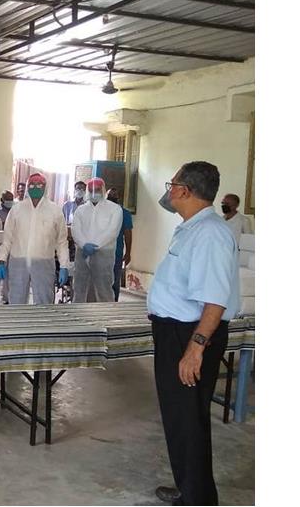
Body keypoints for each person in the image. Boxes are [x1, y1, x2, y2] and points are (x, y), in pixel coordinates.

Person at [148, 161, 239, 506]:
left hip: (190, 336)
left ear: (184, 190)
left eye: (172, 184)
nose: (168, 190)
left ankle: (199, 498)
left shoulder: (211, 233)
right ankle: (190, 487)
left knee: (189, 419)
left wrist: (195, 348)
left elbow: (214, 300)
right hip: (175, 331)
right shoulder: (191, 228)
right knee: (179, 417)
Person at [0, 173, 70, 305]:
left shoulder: (55, 211)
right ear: (27, 187)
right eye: (32, 185)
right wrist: (1, 260)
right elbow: (7, 238)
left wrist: (64, 265)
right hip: (18, 263)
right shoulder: (17, 209)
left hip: (44, 263)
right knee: (16, 300)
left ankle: (42, 326)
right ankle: (17, 325)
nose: (35, 188)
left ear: (45, 187)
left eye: (39, 185)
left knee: (44, 300)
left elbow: (61, 242)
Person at [71, 177, 122, 304]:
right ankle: (78, 318)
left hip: (104, 255)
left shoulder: (114, 209)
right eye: (92, 190)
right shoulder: (81, 210)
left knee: (103, 289)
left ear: (103, 190)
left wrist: (95, 246)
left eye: (98, 190)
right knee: (80, 288)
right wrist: (84, 245)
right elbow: (76, 229)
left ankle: (105, 320)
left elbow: (112, 231)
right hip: (82, 254)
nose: (95, 193)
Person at [106, 187, 133, 301]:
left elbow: (128, 234)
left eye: (114, 195)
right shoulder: (101, 211)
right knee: (101, 281)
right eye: (110, 195)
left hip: (115, 252)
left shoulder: (124, 213)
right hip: (100, 252)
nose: (112, 197)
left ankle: (113, 304)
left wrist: (128, 253)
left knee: (114, 281)